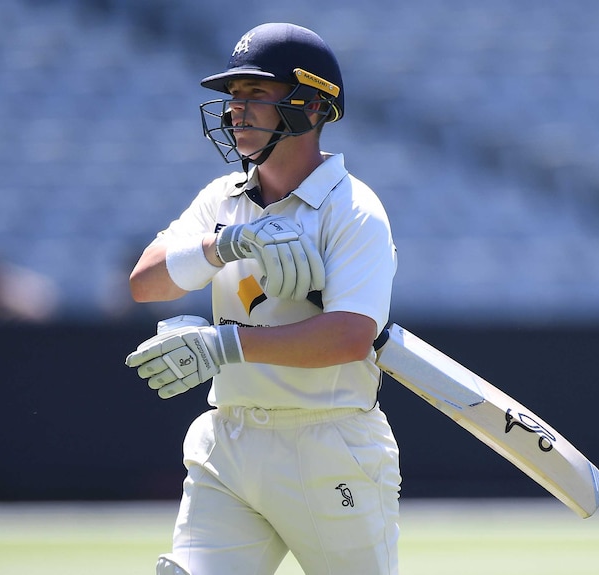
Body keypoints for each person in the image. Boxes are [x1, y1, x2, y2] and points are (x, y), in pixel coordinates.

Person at [124, 22, 400, 575]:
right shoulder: (221, 200)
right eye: (233, 97)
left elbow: (350, 336)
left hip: (329, 444)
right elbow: (144, 282)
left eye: (255, 94)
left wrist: (225, 346)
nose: (235, 111)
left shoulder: (353, 210)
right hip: (228, 442)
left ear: (312, 104)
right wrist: (221, 244)